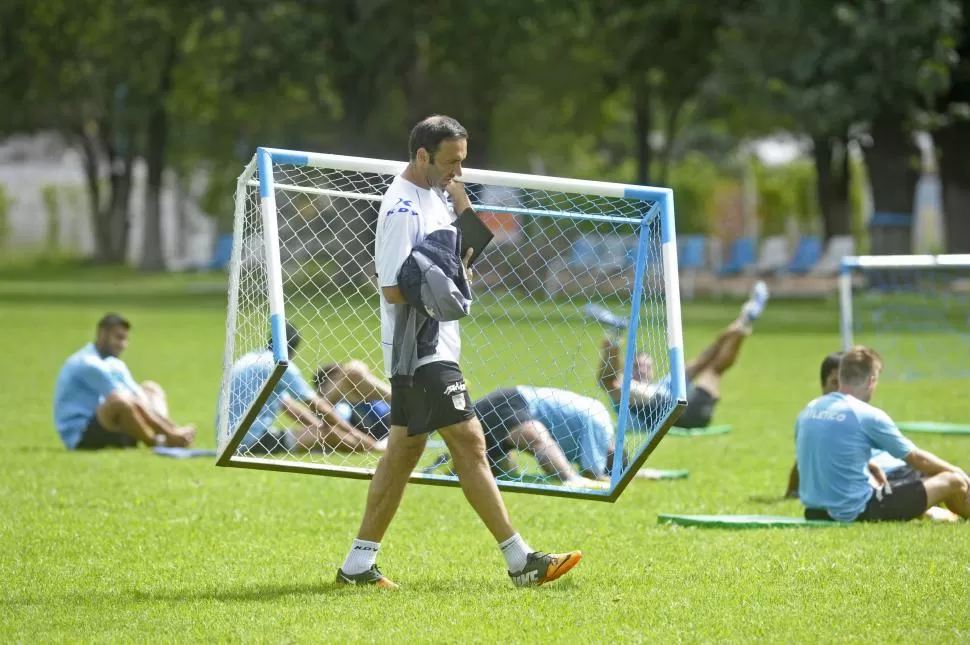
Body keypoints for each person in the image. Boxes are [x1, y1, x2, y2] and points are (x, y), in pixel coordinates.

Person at [336, 115, 581, 590]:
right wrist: (447, 288)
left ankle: (357, 566)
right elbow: (390, 289)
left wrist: (458, 195)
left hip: (436, 346)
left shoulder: (437, 195)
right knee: (470, 442)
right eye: (450, 163)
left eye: (463, 162)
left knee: (402, 456)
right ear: (422, 156)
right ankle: (521, 561)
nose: (458, 171)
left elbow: (471, 246)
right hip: (421, 349)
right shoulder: (401, 209)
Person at [795, 345, 970, 522]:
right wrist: (958, 472)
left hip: (814, 511)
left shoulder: (809, 409)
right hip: (857, 511)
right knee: (952, 480)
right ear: (871, 381)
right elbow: (917, 459)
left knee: (934, 478)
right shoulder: (866, 414)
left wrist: (870, 464)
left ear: (841, 376)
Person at [594, 281, 769, 431]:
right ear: (628, 369)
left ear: (653, 371)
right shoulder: (627, 393)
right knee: (714, 371)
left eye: (646, 366)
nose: (642, 370)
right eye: (636, 366)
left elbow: (702, 359)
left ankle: (615, 335)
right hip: (690, 417)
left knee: (707, 365)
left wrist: (726, 334)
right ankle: (745, 322)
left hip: (675, 409)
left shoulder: (664, 385)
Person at [785, 351, 931, 499]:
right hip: (882, 479)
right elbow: (805, 458)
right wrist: (792, 491)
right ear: (823, 386)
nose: (840, 389)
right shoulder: (814, 416)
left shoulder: (861, 415)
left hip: (896, 471)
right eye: (835, 382)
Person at [222, 325, 383, 454]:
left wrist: (318, 425)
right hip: (251, 441)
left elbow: (291, 408)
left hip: (229, 437)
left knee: (324, 431)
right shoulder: (281, 364)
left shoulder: (252, 358)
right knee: (329, 436)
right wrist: (354, 433)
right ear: (294, 349)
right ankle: (375, 448)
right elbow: (317, 406)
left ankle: (369, 445)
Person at [53, 313, 195, 450]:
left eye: (125, 339)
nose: (123, 344)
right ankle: (156, 442)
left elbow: (138, 395)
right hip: (82, 434)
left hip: (108, 425)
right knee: (120, 401)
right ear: (102, 334)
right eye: (119, 338)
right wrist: (170, 431)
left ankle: (168, 436)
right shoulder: (88, 363)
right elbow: (126, 400)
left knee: (150, 388)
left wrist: (173, 426)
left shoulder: (114, 363)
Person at [472, 386, 613, 489]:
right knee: (537, 439)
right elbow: (592, 475)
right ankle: (569, 478)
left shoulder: (592, 427)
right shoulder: (603, 429)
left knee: (479, 471)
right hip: (509, 403)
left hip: (502, 403)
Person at [313, 361, 392, 441]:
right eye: (335, 379)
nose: (342, 381)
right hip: (377, 430)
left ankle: (401, 400)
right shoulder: (326, 409)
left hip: (391, 414)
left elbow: (356, 368)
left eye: (341, 378)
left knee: (353, 374)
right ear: (322, 388)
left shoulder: (358, 388)